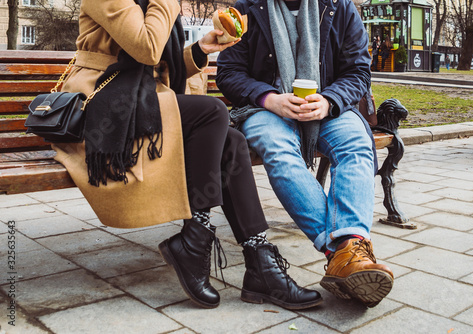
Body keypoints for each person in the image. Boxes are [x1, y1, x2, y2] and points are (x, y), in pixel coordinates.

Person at [53, 0, 322, 310]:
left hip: (136, 99)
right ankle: (197, 234)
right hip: (103, 104)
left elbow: (159, 65)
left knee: (231, 140)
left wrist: (201, 49)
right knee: (213, 112)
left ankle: (257, 259)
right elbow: (147, 48)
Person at [216, 0, 394, 308]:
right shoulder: (247, 9)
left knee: (355, 144)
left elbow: (358, 72)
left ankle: (346, 250)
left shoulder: (340, 8)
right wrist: (269, 98)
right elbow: (229, 72)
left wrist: (328, 100)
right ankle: (345, 253)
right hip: (265, 108)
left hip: (328, 106)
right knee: (279, 149)